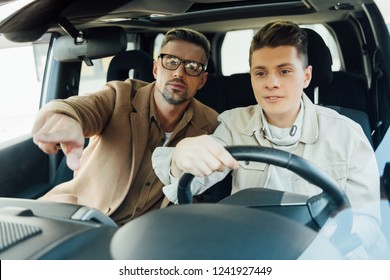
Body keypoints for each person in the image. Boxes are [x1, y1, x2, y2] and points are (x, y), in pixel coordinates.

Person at [152, 21, 386, 258]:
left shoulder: (347, 133)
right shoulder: (233, 124)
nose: (271, 83)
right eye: (260, 72)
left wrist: (327, 246)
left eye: (284, 71)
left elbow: (366, 219)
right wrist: (180, 156)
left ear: (306, 77)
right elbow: (193, 179)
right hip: (252, 249)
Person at [31, 27, 219, 226]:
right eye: (171, 62)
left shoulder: (210, 123)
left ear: (202, 80)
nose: (179, 73)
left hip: (146, 235)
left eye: (192, 67)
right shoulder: (119, 95)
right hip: (80, 217)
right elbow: (82, 107)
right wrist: (63, 116)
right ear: (156, 69)